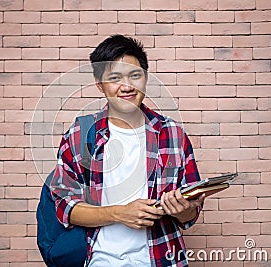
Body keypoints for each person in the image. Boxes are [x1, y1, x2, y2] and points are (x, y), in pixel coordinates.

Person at [50, 34, 205, 267]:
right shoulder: (81, 134)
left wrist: (181, 209)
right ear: (99, 84)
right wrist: (118, 213)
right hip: (100, 260)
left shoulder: (172, 133)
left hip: (162, 259)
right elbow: (65, 207)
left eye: (135, 75)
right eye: (114, 78)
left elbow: (190, 215)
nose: (127, 86)